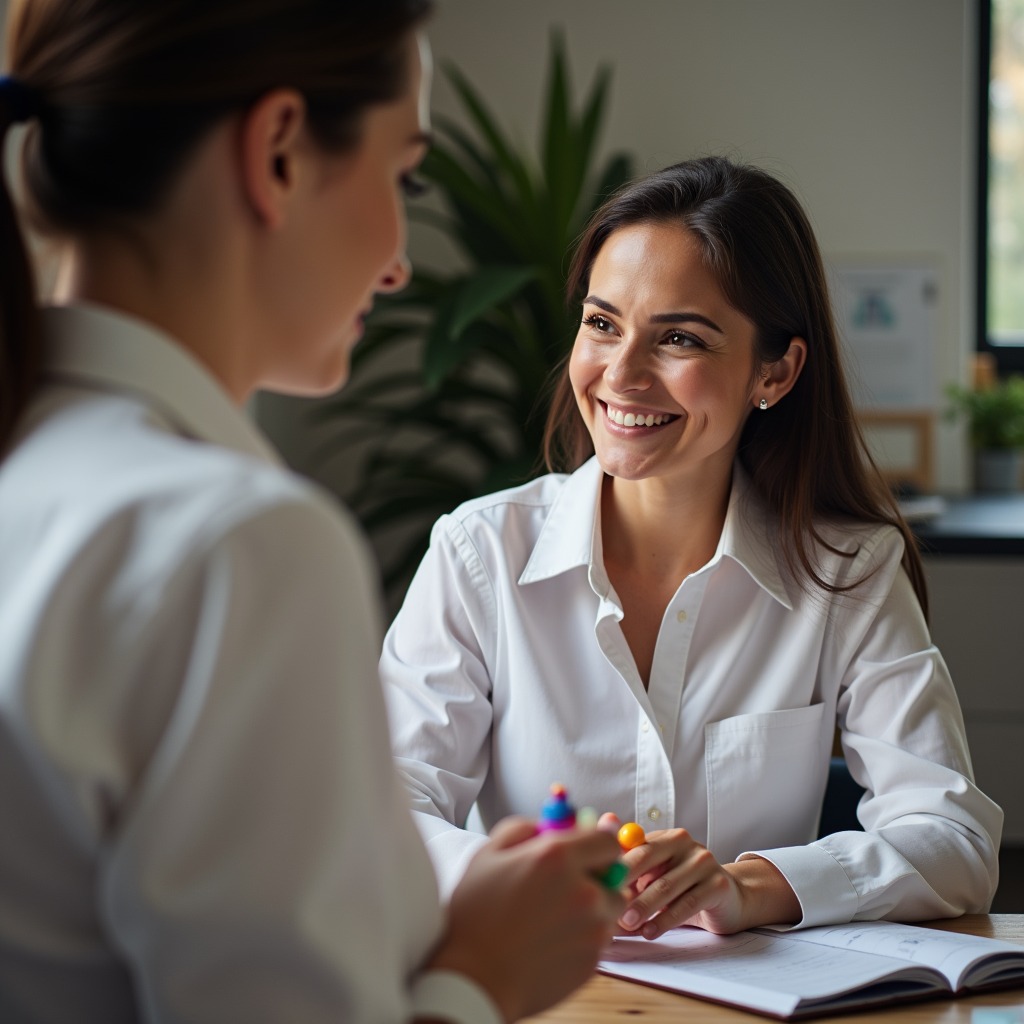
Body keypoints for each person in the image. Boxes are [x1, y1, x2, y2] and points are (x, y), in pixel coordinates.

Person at [0, 3, 626, 1022]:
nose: (401, 263)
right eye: (402, 177)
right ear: (280, 153)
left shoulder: (41, 473)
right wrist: (482, 972)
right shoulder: (237, 545)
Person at [381, 156, 1004, 938]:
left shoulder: (848, 572)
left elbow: (954, 839)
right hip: (532, 984)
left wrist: (748, 887)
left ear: (775, 373)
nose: (622, 375)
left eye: (678, 338)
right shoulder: (479, 554)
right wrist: (524, 882)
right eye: (602, 324)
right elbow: (385, 811)